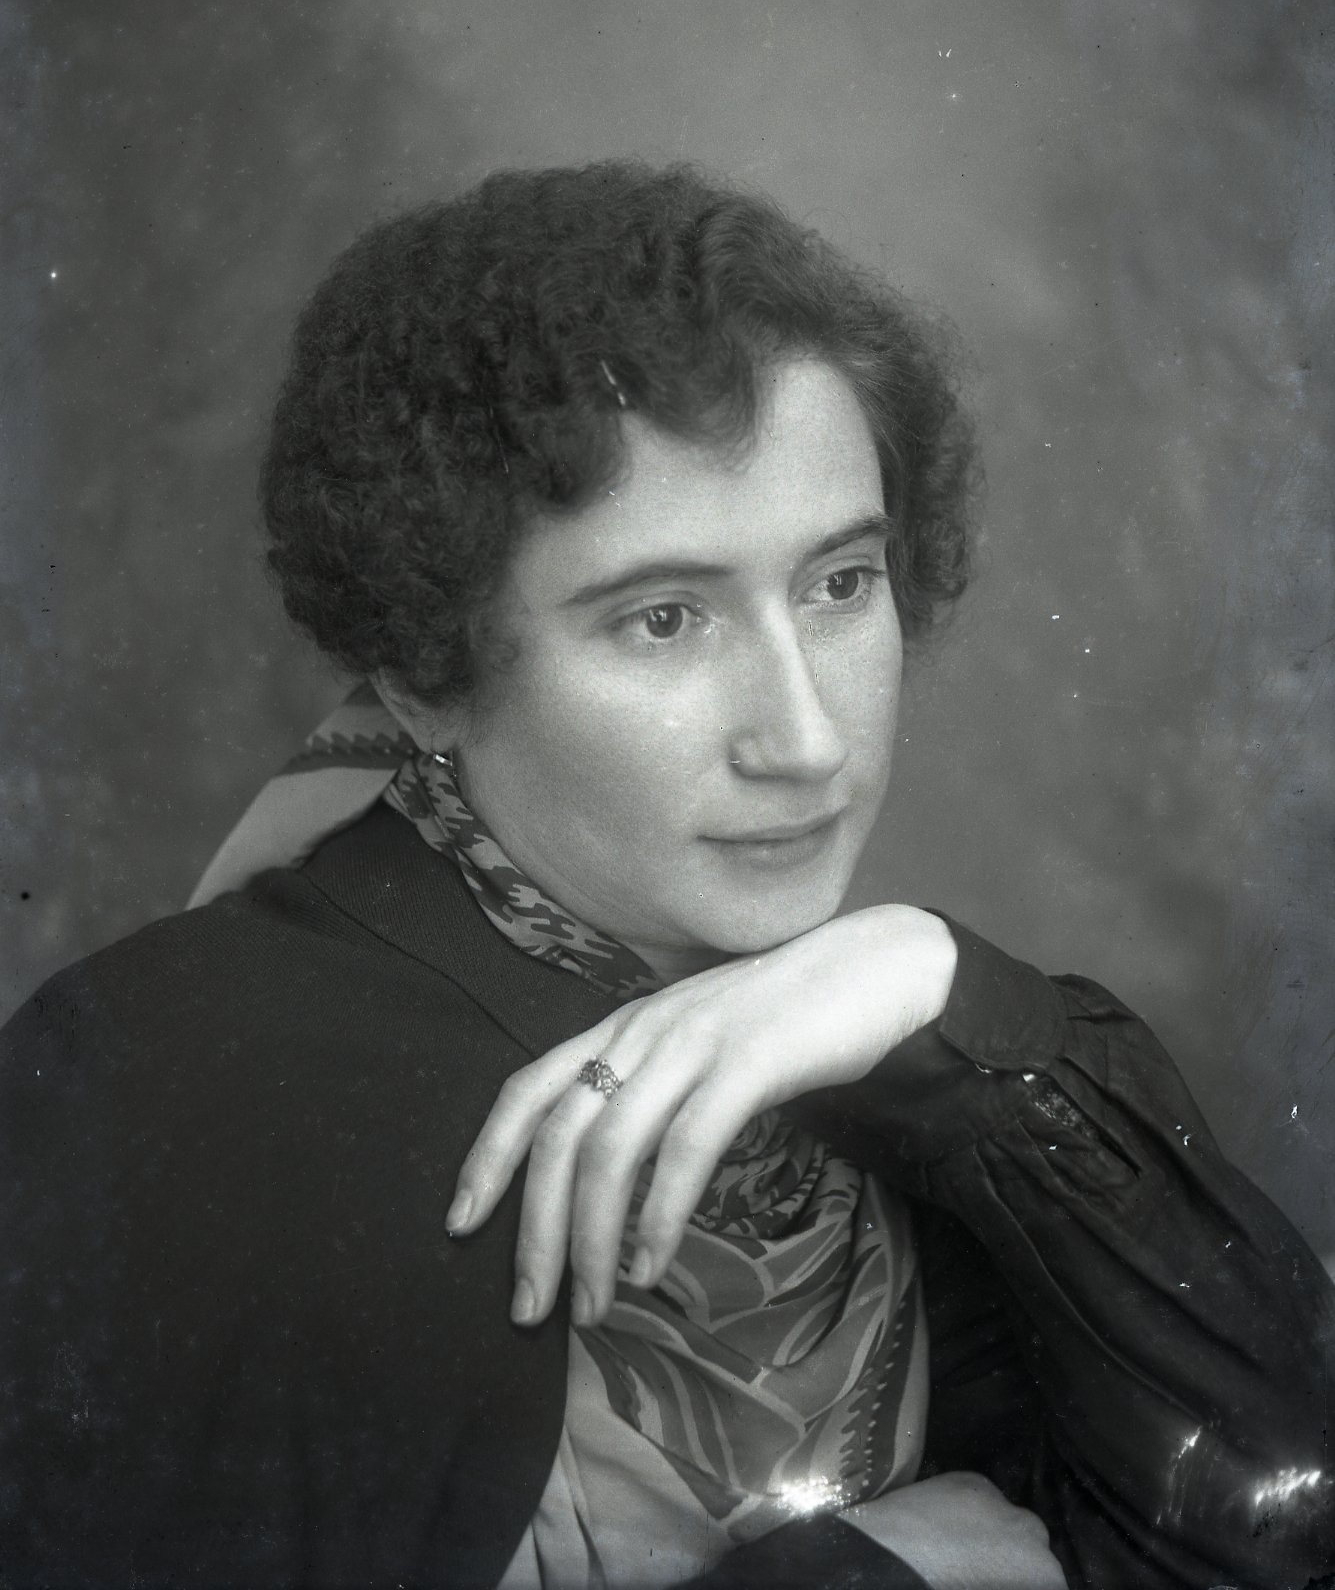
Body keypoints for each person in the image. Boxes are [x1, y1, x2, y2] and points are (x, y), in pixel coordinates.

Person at [2, 161, 1331, 1590]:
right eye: (664, 620)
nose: (806, 740)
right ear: (428, 668)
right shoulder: (159, 1091)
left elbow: (1276, 1522)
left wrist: (935, 986)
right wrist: (876, 1577)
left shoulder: (890, 1052)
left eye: (840, 584)